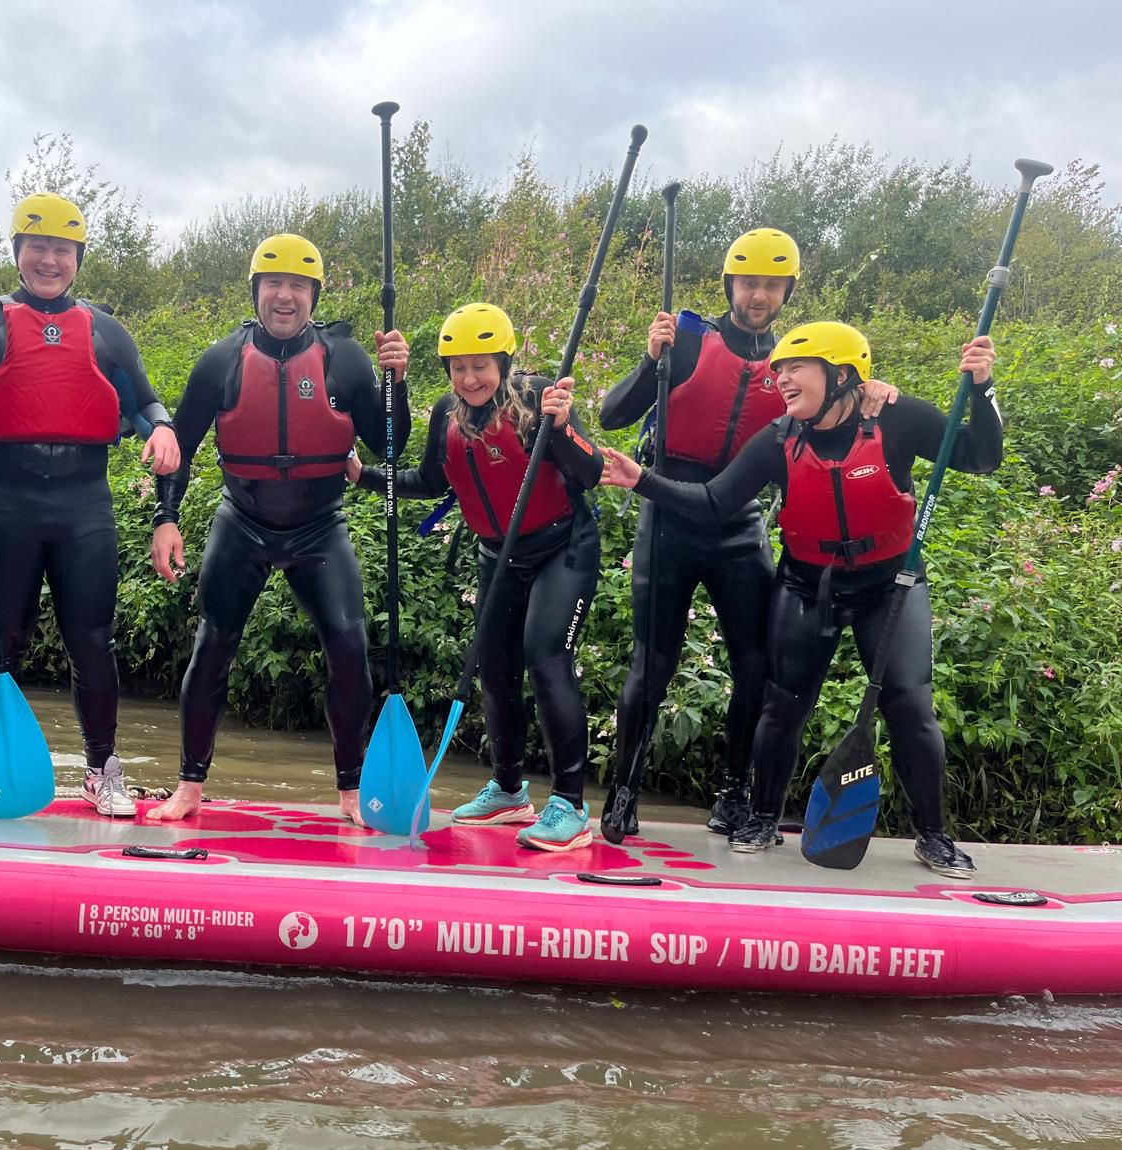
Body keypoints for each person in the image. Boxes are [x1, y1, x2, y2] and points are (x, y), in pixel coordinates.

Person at [598, 322, 1002, 877]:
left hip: (890, 587)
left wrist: (980, 389)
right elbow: (715, 502)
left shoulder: (901, 419)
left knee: (908, 704)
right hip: (806, 586)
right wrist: (641, 478)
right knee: (782, 704)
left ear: (839, 375)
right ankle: (762, 817)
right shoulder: (780, 437)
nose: (779, 377)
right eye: (779, 368)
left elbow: (981, 457)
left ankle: (932, 834)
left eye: (795, 368)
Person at [598, 229, 897, 839]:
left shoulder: (800, 365)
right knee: (651, 664)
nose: (758, 295)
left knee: (755, 667)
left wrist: (875, 390)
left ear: (786, 290)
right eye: (748, 282)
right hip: (668, 514)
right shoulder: (687, 340)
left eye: (771, 285)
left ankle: (734, 794)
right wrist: (651, 360)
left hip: (739, 523)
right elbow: (611, 415)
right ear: (730, 284)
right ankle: (624, 790)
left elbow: (841, 411)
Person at [0, 193, 180, 817]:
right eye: (37, 248)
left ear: (78, 259)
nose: (49, 261)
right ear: (18, 254)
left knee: (92, 640)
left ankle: (100, 771)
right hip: (2, 496)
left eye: (62, 250)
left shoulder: (106, 329)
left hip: (83, 501)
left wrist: (163, 429)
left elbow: (145, 402)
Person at [147, 234, 410, 825]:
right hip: (242, 520)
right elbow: (181, 447)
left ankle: (349, 791)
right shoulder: (221, 360)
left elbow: (388, 440)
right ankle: (189, 786)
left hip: (320, 525)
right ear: (257, 292)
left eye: (297, 286)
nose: (284, 296)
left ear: (313, 295)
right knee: (212, 644)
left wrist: (398, 382)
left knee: (348, 645)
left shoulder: (346, 360)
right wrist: (166, 519)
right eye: (274, 284)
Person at [349, 303, 605, 850]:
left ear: (505, 363)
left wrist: (560, 429)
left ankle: (571, 804)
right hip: (499, 555)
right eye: (459, 367)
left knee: (545, 654)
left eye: (481, 366)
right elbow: (426, 479)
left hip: (563, 547)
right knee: (495, 667)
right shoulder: (447, 414)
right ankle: (510, 791)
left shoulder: (540, 399)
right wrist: (364, 474)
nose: (469, 378)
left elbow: (591, 473)